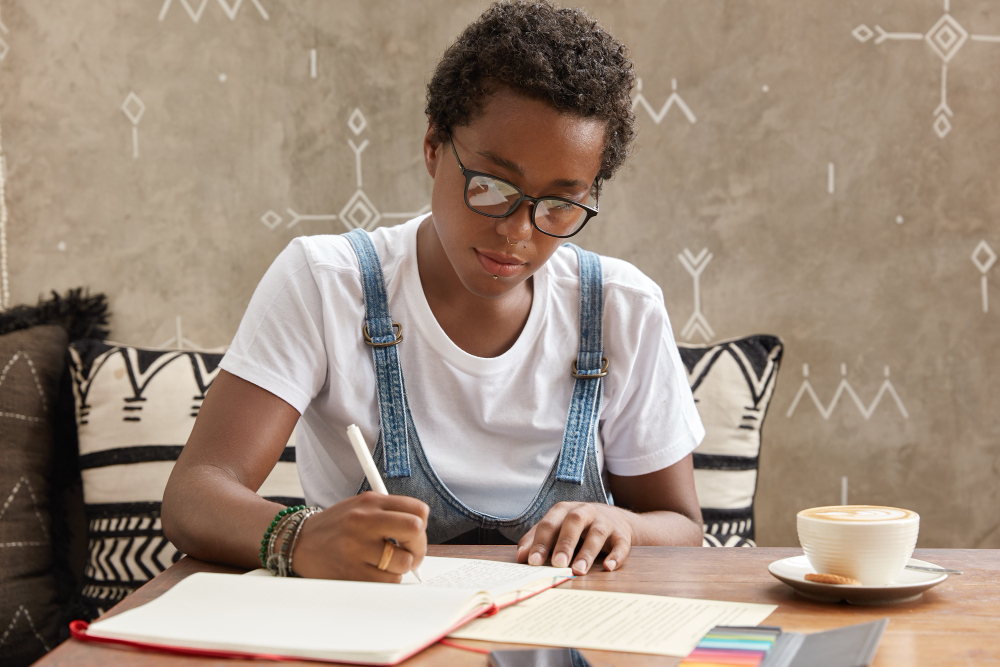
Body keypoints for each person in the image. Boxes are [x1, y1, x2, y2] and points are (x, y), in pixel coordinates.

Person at [161, 0, 705, 583]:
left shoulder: (621, 308)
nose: (517, 231)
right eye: (493, 186)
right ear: (433, 147)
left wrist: (620, 524)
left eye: (559, 204)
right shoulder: (327, 283)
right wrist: (298, 536)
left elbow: (680, 524)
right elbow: (196, 495)